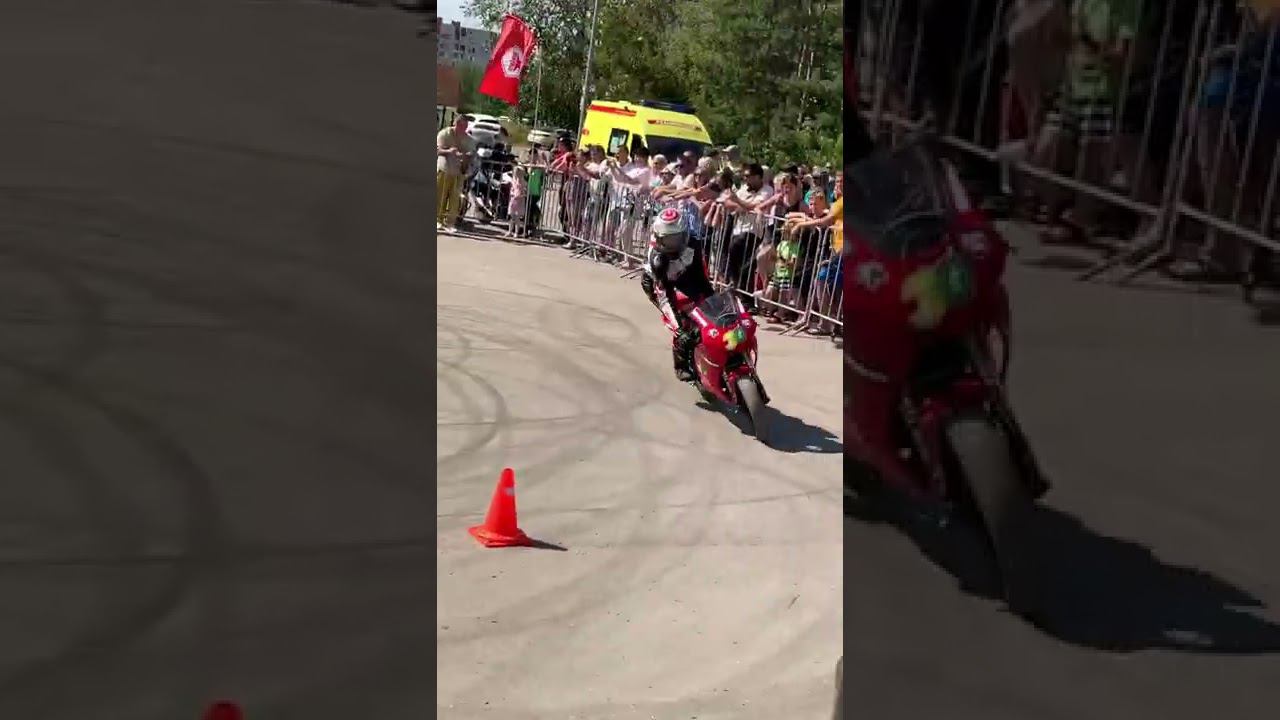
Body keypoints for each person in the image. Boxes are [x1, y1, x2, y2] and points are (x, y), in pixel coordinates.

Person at [640, 207, 716, 382]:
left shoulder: (694, 243)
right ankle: (680, 365)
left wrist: (714, 300)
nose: (673, 244)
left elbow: (701, 276)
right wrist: (679, 329)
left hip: (684, 274)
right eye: (668, 240)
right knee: (683, 323)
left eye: (676, 238)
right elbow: (664, 295)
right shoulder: (658, 259)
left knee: (706, 308)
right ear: (659, 239)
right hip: (660, 283)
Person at [437, 114, 473, 232]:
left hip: (459, 172)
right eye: (462, 125)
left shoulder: (468, 139)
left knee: (455, 199)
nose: (464, 128)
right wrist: (448, 151)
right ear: (456, 124)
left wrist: (467, 156)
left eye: (466, 126)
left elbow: (472, 153)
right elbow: (437, 149)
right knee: (440, 196)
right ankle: (438, 220)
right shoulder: (445, 134)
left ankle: (450, 223)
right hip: (444, 169)